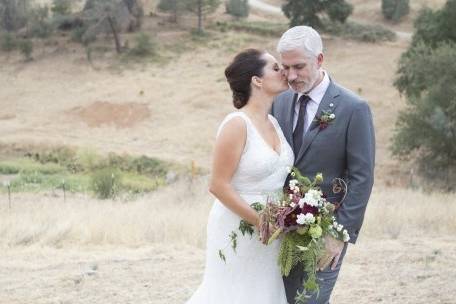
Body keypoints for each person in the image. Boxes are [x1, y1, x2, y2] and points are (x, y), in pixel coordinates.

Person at [271, 26, 376, 304]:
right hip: (279, 231)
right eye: (286, 67)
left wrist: (338, 234)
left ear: (319, 60)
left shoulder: (354, 109)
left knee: (308, 300)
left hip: (324, 230)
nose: (291, 76)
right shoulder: (278, 102)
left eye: (299, 67)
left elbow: (361, 177)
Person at [185, 48, 293, 304]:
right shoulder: (237, 124)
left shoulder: (274, 124)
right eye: (276, 68)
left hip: (273, 228)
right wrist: (260, 222)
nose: (284, 72)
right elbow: (218, 185)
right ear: (257, 80)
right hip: (239, 226)